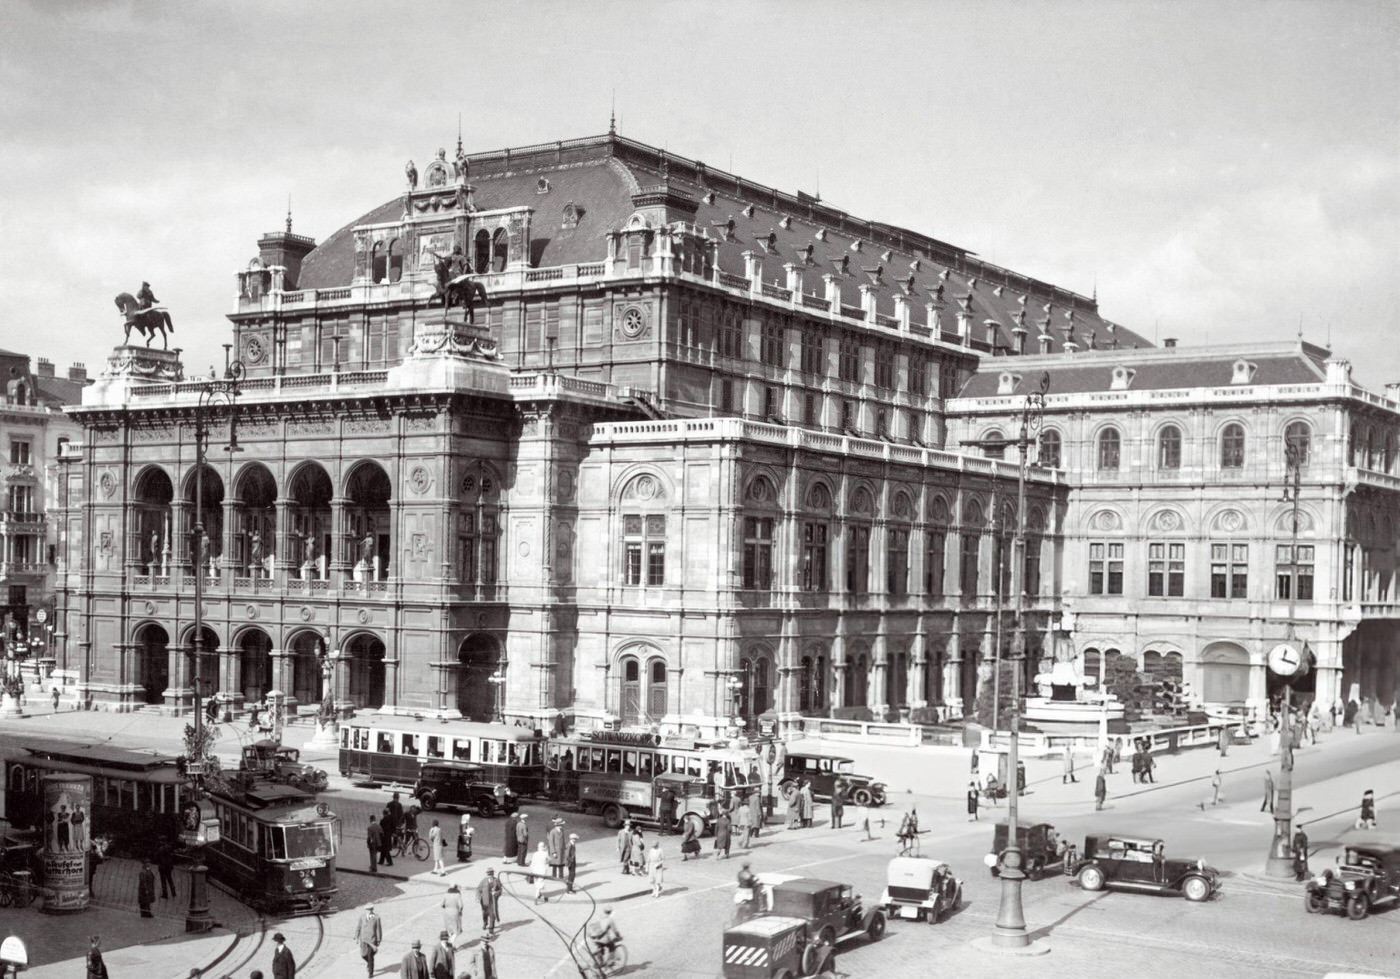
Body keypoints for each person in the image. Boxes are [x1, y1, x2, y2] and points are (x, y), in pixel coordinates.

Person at [355, 904, 382, 978]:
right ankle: (369, 963)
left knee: (370, 957)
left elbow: (378, 929)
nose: (369, 911)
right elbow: (358, 927)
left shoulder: (376, 918)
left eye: (371, 910)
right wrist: (356, 937)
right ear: (365, 910)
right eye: (368, 910)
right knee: (363, 955)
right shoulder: (362, 917)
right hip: (363, 940)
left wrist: (379, 939)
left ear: (372, 910)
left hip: (372, 940)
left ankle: (371, 973)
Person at [477, 868, 501, 934]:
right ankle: (485, 923)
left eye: (491, 873)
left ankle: (491, 928)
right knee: (485, 914)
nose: (490, 875)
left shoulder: (497, 881)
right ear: (487, 874)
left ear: (493, 874)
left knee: (492, 915)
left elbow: (500, 890)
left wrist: (496, 893)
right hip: (484, 901)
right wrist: (478, 897)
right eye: (488, 874)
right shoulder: (483, 881)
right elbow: (478, 889)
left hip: (493, 902)